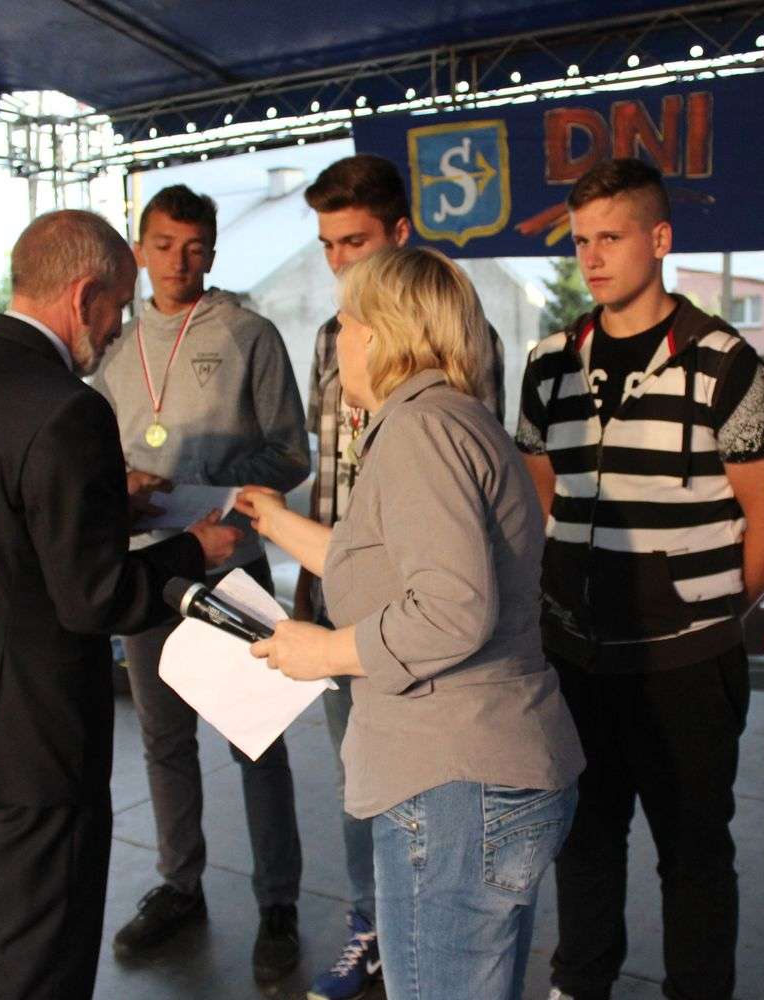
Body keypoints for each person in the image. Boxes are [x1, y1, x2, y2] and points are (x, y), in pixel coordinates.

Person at [0, 208, 240, 1000]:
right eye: (117, 306)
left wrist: (102, 504)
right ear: (84, 296)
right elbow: (96, 599)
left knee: (5, 929)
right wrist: (194, 550)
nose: (118, 328)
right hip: (35, 735)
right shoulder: (68, 407)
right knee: (47, 958)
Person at [240, 246, 584, 1000]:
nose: (337, 342)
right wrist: (272, 518)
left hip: (452, 784)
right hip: (487, 772)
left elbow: (452, 606)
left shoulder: (419, 432)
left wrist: (327, 651)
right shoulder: (453, 419)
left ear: (380, 332)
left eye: (344, 323)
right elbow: (389, 565)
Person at [516, 158, 764, 1000]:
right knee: (584, 839)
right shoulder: (549, 363)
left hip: (688, 666)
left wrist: (704, 615)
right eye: (581, 241)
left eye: (612, 237)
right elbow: (539, 498)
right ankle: (580, 983)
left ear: (661, 239)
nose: (593, 257)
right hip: (576, 658)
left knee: (694, 852)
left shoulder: (728, 363)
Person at [296, 152, 507, 1000]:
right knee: (362, 776)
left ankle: (415, 932)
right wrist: (315, 566)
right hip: (345, 590)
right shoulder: (330, 337)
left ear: (401, 235)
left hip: (422, 629)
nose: (339, 262)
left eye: (354, 242)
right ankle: (373, 925)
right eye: (327, 246)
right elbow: (331, 472)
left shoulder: (453, 355)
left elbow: (459, 544)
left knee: (430, 810)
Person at [91, 183, 312, 980]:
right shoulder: (114, 348)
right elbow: (91, 456)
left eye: (193, 248)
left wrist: (207, 487)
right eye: (162, 246)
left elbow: (291, 453)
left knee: (256, 741)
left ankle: (278, 902)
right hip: (147, 567)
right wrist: (122, 485)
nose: (177, 262)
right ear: (139, 250)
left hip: (223, 565)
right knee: (163, 742)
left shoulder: (248, 334)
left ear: (212, 252)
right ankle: (179, 884)